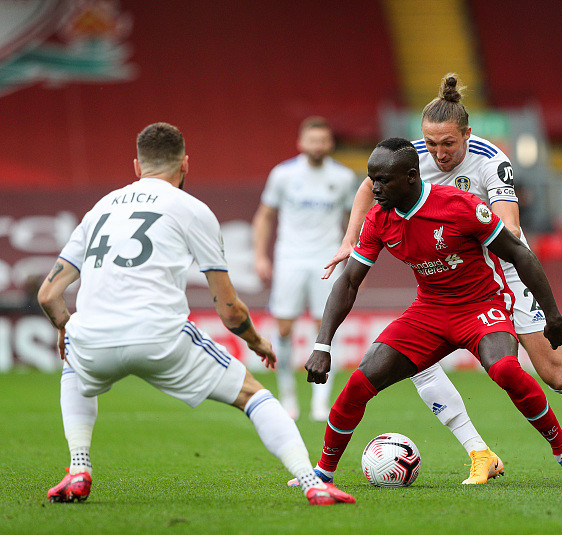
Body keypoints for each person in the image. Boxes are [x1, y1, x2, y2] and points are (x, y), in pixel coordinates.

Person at [323, 74, 562, 483]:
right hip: (449, 274)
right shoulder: (410, 159)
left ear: (467, 134)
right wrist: (351, 239)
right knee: (416, 364)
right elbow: (369, 187)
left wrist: (464, 227)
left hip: (502, 264)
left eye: (448, 144)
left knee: (554, 373)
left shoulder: (491, 160)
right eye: (430, 143)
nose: (438, 153)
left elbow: (511, 231)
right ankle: (479, 452)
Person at [38, 123, 355, 506]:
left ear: (137, 166)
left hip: (93, 336)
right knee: (253, 395)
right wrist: (256, 341)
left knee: (73, 366)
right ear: (185, 164)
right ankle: (311, 482)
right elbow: (229, 308)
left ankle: (78, 467)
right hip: (160, 336)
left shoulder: (99, 209)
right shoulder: (191, 209)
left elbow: (48, 294)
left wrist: (66, 329)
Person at [291, 137, 562, 488]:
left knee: (506, 370)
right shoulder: (378, 218)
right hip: (429, 311)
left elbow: (520, 254)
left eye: (383, 181)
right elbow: (348, 282)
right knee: (359, 382)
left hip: (481, 305)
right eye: (372, 179)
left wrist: (552, 315)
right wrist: (322, 345)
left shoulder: (459, 206)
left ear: (411, 176)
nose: (374, 189)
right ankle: (322, 474)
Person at [252, 116, 357, 421]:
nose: (317, 146)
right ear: (301, 143)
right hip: (290, 257)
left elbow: (355, 221)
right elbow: (264, 216)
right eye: (312, 140)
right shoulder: (283, 174)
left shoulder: (343, 177)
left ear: (330, 143)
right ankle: (288, 396)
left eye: (322, 140)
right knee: (284, 327)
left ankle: (320, 402)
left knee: (325, 327)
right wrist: (260, 256)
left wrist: (354, 258)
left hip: (328, 258)